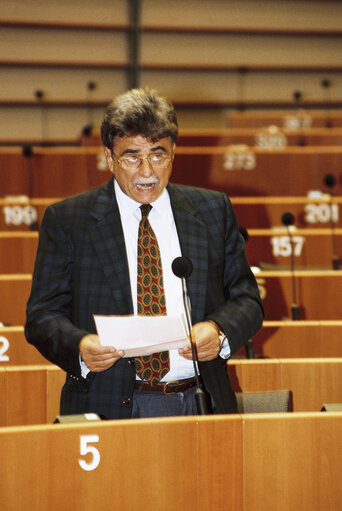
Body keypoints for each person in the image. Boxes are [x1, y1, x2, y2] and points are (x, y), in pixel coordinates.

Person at [25, 88, 263, 419]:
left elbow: (247, 300)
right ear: (109, 158)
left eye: (158, 154)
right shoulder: (69, 221)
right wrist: (80, 347)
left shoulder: (212, 211)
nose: (147, 171)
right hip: (108, 403)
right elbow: (41, 317)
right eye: (132, 156)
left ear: (173, 153)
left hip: (201, 400)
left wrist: (219, 330)